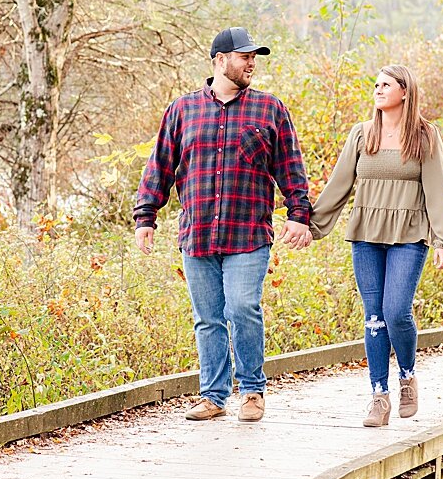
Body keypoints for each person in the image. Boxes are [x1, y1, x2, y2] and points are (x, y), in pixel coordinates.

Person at [133, 27, 314, 424]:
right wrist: (146, 215)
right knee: (208, 318)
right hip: (197, 233)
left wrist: (299, 214)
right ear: (219, 60)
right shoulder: (182, 110)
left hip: (248, 232)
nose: (252, 63)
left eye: (255, 57)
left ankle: (252, 391)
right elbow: (160, 165)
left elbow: (291, 168)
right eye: (244, 56)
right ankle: (214, 396)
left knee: (242, 308)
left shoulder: (270, 110)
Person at [310, 64, 443, 428]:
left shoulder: (425, 135)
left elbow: (437, 189)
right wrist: (309, 224)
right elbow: (339, 185)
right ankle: (379, 396)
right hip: (366, 235)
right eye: (375, 84)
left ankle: (407, 376)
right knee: (373, 316)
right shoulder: (362, 135)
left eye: (386, 85)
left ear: (405, 91)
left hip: (408, 234)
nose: (377, 90)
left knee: (396, 311)